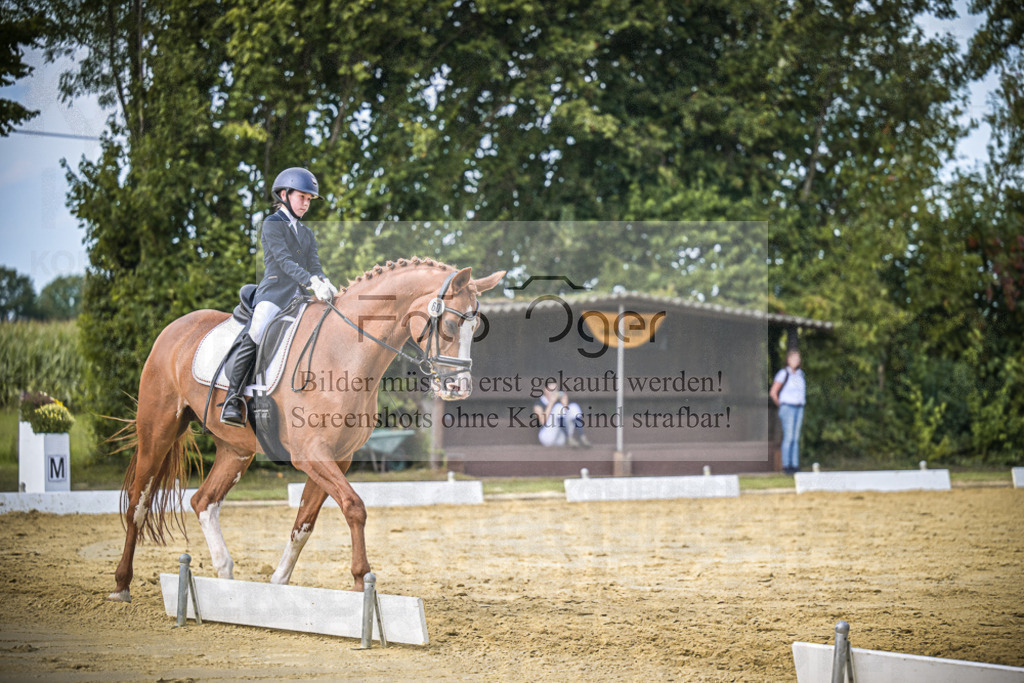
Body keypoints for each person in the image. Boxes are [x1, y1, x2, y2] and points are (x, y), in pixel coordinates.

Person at [221, 167, 338, 426]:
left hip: (298, 298)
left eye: (309, 200)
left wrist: (324, 281)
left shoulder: (307, 233)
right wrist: (310, 281)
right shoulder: (272, 224)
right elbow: (284, 261)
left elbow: (314, 265)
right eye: (302, 197)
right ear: (284, 194)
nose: (306, 204)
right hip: (273, 293)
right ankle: (233, 397)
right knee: (259, 329)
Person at [770, 349, 806, 475]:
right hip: (788, 407)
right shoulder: (783, 373)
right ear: (788, 360)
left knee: (795, 438)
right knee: (789, 437)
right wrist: (782, 404)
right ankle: (787, 465)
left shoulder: (800, 374)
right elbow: (773, 392)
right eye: (793, 358)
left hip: (799, 407)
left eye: (797, 358)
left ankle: (795, 464)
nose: (796, 361)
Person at [533, 379, 592, 448]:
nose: (553, 392)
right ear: (545, 390)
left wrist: (565, 405)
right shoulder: (538, 404)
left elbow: (568, 416)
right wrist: (551, 403)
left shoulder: (558, 402)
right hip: (547, 437)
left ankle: (581, 436)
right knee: (558, 407)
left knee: (573, 406)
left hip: (561, 438)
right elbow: (542, 421)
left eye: (555, 390)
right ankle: (569, 438)